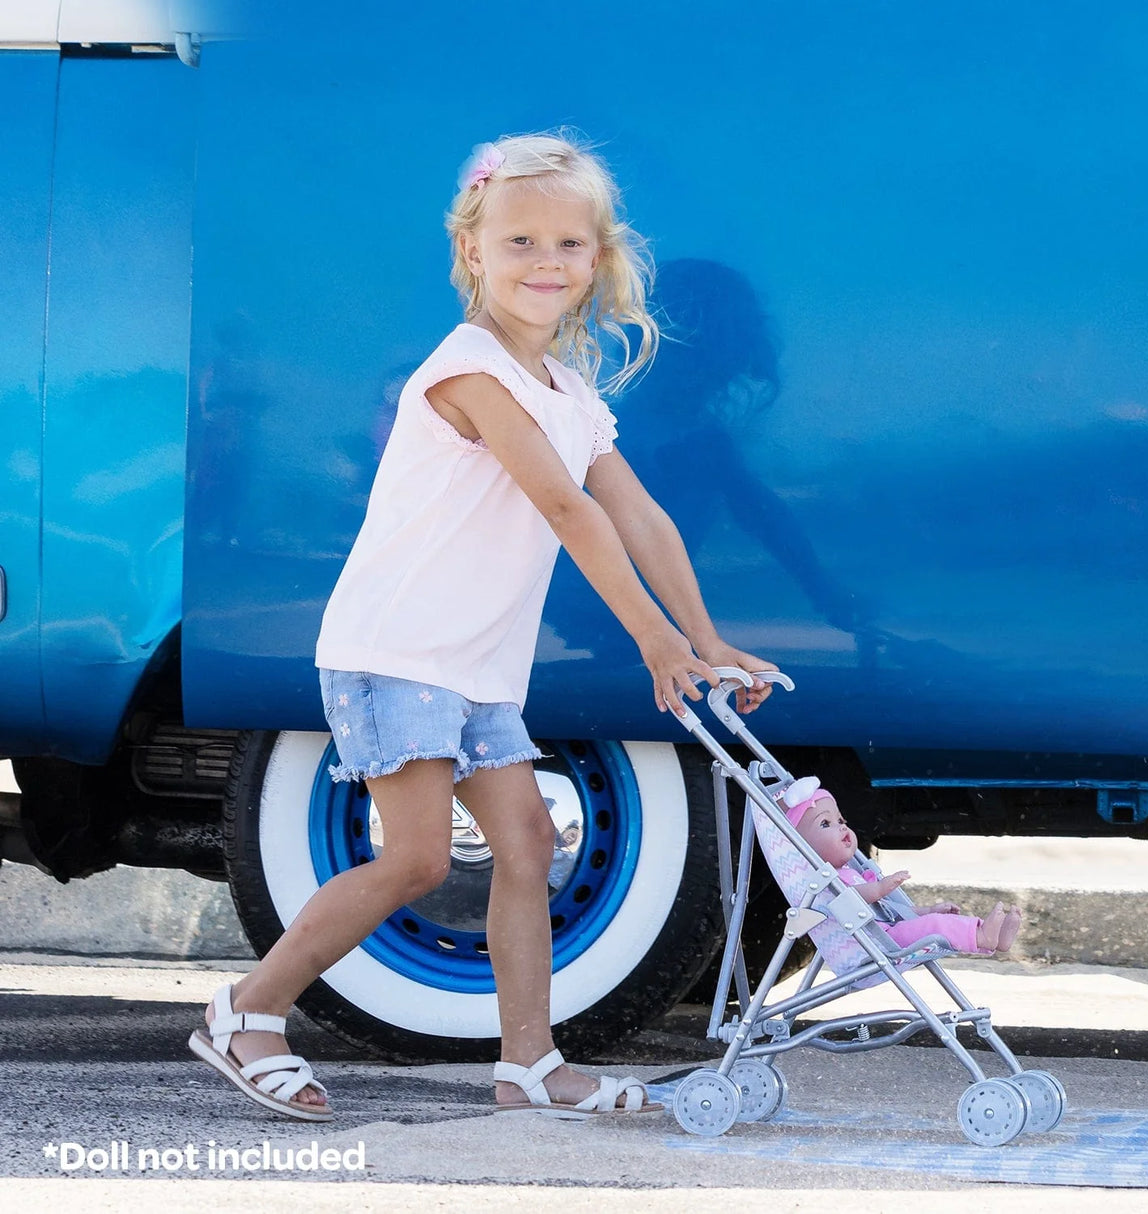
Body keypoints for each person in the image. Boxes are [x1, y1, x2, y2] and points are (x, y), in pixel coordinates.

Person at [187, 131, 776, 1121]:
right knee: (417, 857)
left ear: (596, 261)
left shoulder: (570, 395)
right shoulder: (469, 372)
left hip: (475, 666)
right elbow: (565, 508)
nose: (544, 261)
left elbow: (640, 515)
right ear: (472, 254)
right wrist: (651, 639)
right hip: (399, 651)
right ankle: (247, 1010)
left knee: (529, 842)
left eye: (566, 244)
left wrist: (703, 636)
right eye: (518, 242)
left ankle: (529, 1061)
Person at [781, 778, 1022, 955]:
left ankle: (994, 939)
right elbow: (849, 899)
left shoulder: (849, 873)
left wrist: (928, 909)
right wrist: (880, 887)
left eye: (841, 820)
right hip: (878, 942)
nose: (842, 827)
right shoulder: (824, 881)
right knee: (936, 928)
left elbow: (888, 911)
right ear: (803, 846)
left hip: (889, 931)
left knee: (936, 920)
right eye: (825, 824)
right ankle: (982, 935)